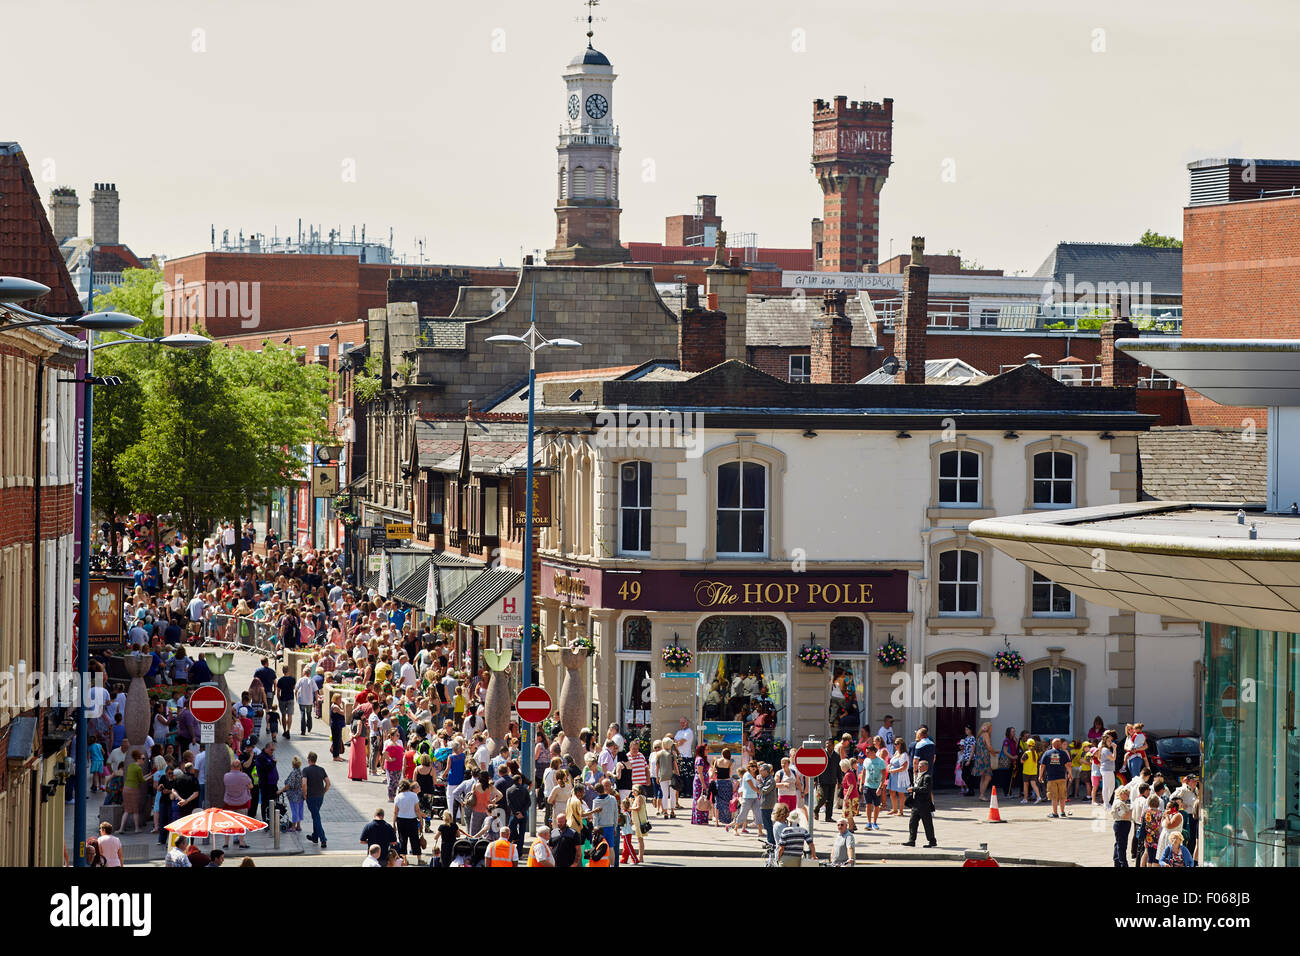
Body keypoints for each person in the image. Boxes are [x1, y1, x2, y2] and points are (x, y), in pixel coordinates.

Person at [902, 759, 937, 847]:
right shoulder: (919, 776)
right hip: (916, 804)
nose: (919, 768)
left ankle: (932, 841)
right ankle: (911, 840)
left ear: (926, 767)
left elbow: (926, 789)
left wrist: (913, 789)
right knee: (912, 823)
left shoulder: (927, 777)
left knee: (927, 823)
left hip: (924, 804)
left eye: (921, 766)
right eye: (918, 766)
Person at [301, 751, 330, 850]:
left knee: (316, 817)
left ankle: (323, 839)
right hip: (320, 797)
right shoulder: (321, 769)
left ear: (308, 759)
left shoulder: (305, 770)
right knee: (315, 815)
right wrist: (324, 791)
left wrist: (305, 794)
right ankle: (314, 837)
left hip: (311, 797)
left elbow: (304, 783)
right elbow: (328, 783)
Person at [1038, 737, 1072, 819]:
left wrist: (1040, 775)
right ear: (1060, 745)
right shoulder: (1063, 753)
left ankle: (1055, 813)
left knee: (1054, 796)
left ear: (1052, 744)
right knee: (1062, 796)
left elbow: (1042, 766)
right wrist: (1070, 774)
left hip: (1051, 778)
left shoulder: (1047, 753)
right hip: (1062, 778)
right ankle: (1063, 812)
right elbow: (1068, 765)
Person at [393, 778, 423, 862]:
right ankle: (419, 859)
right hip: (412, 820)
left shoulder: (398, 797)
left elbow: (395, 812)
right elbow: (417, 810)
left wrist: (393, 823)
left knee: (403, 839)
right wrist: (421, 821)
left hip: (401, 820)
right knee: (415, 839)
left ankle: (404, 859)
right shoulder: (413, 796)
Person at [861, 743, 887, 831]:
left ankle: (875, 822)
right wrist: (861, 784)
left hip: (877, 787)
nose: (866, 753)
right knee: (868, 805)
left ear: (873, 752)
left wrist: (880, 787)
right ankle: (868, 822)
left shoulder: (881, 761)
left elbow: (884, 775)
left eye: (868, 752)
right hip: (867, 786)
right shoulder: (866, 760)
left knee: (876, 805)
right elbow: (864, 772)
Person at [886, 738, 910, 816]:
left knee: (900, 793)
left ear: (901, 745)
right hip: (893, 776)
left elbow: (904, 767)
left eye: (896, 744)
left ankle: (901, 811)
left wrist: (893, 771)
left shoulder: (904, 755)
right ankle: (894, 809)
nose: (895, 745)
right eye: (894, 743)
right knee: (892, 792)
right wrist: (889, 766)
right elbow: (892, 762)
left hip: (900, 776)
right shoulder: (896, 753)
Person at [1110, 785, 1132, 867]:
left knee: (1118, 844)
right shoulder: (1119, 803)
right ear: (1122, 794)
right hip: (1121, 824)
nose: (1127, 797)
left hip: (1122, 824)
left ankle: (1117, 861)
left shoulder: (1120, 802)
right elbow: (1123, 815)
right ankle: (1123, 863)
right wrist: (1132, 811)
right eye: (1126, 794)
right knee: (1122, 845)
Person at [1020, 737, 1042, 804]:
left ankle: (1025, 799)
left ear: (1028, 745)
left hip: (1026, 771)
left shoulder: (1027, 753)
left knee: (1025, 785)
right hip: (1033, 772)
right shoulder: (1035, 753)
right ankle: (1038, 797)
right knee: (1034, 785)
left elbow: (1022, 761)